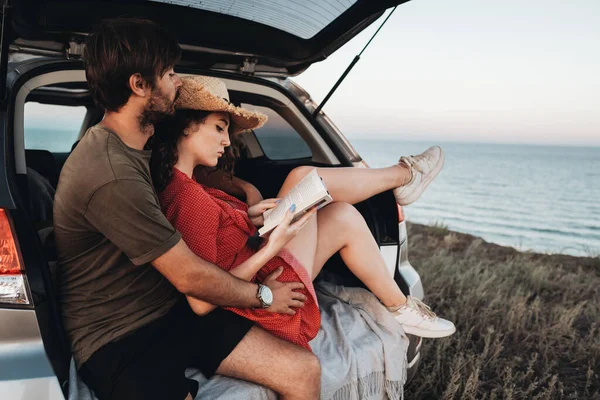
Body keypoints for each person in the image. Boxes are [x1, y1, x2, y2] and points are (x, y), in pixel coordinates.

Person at [53, 18, 321, 400]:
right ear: (140, 85)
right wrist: (263, 295)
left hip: (171, 307)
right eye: (169, 73)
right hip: (119, 333)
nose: (178, 82)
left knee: (303, 371)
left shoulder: (141, 145)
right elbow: (192, 278)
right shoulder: (109, 172)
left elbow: (191, 184)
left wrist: (245, 201)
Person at [150, 75, 456, 350]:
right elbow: (202, 297)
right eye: (219, 128)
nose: (227, 141)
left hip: (266, 272)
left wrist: (250, 215)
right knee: (301, 178)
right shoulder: (186, 196)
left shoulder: (191, 185)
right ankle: (405, 175)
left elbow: (218, 239)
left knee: (342, 215)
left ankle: (401, 308)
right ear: (188, 125)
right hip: (266, 298)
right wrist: (270, 253)